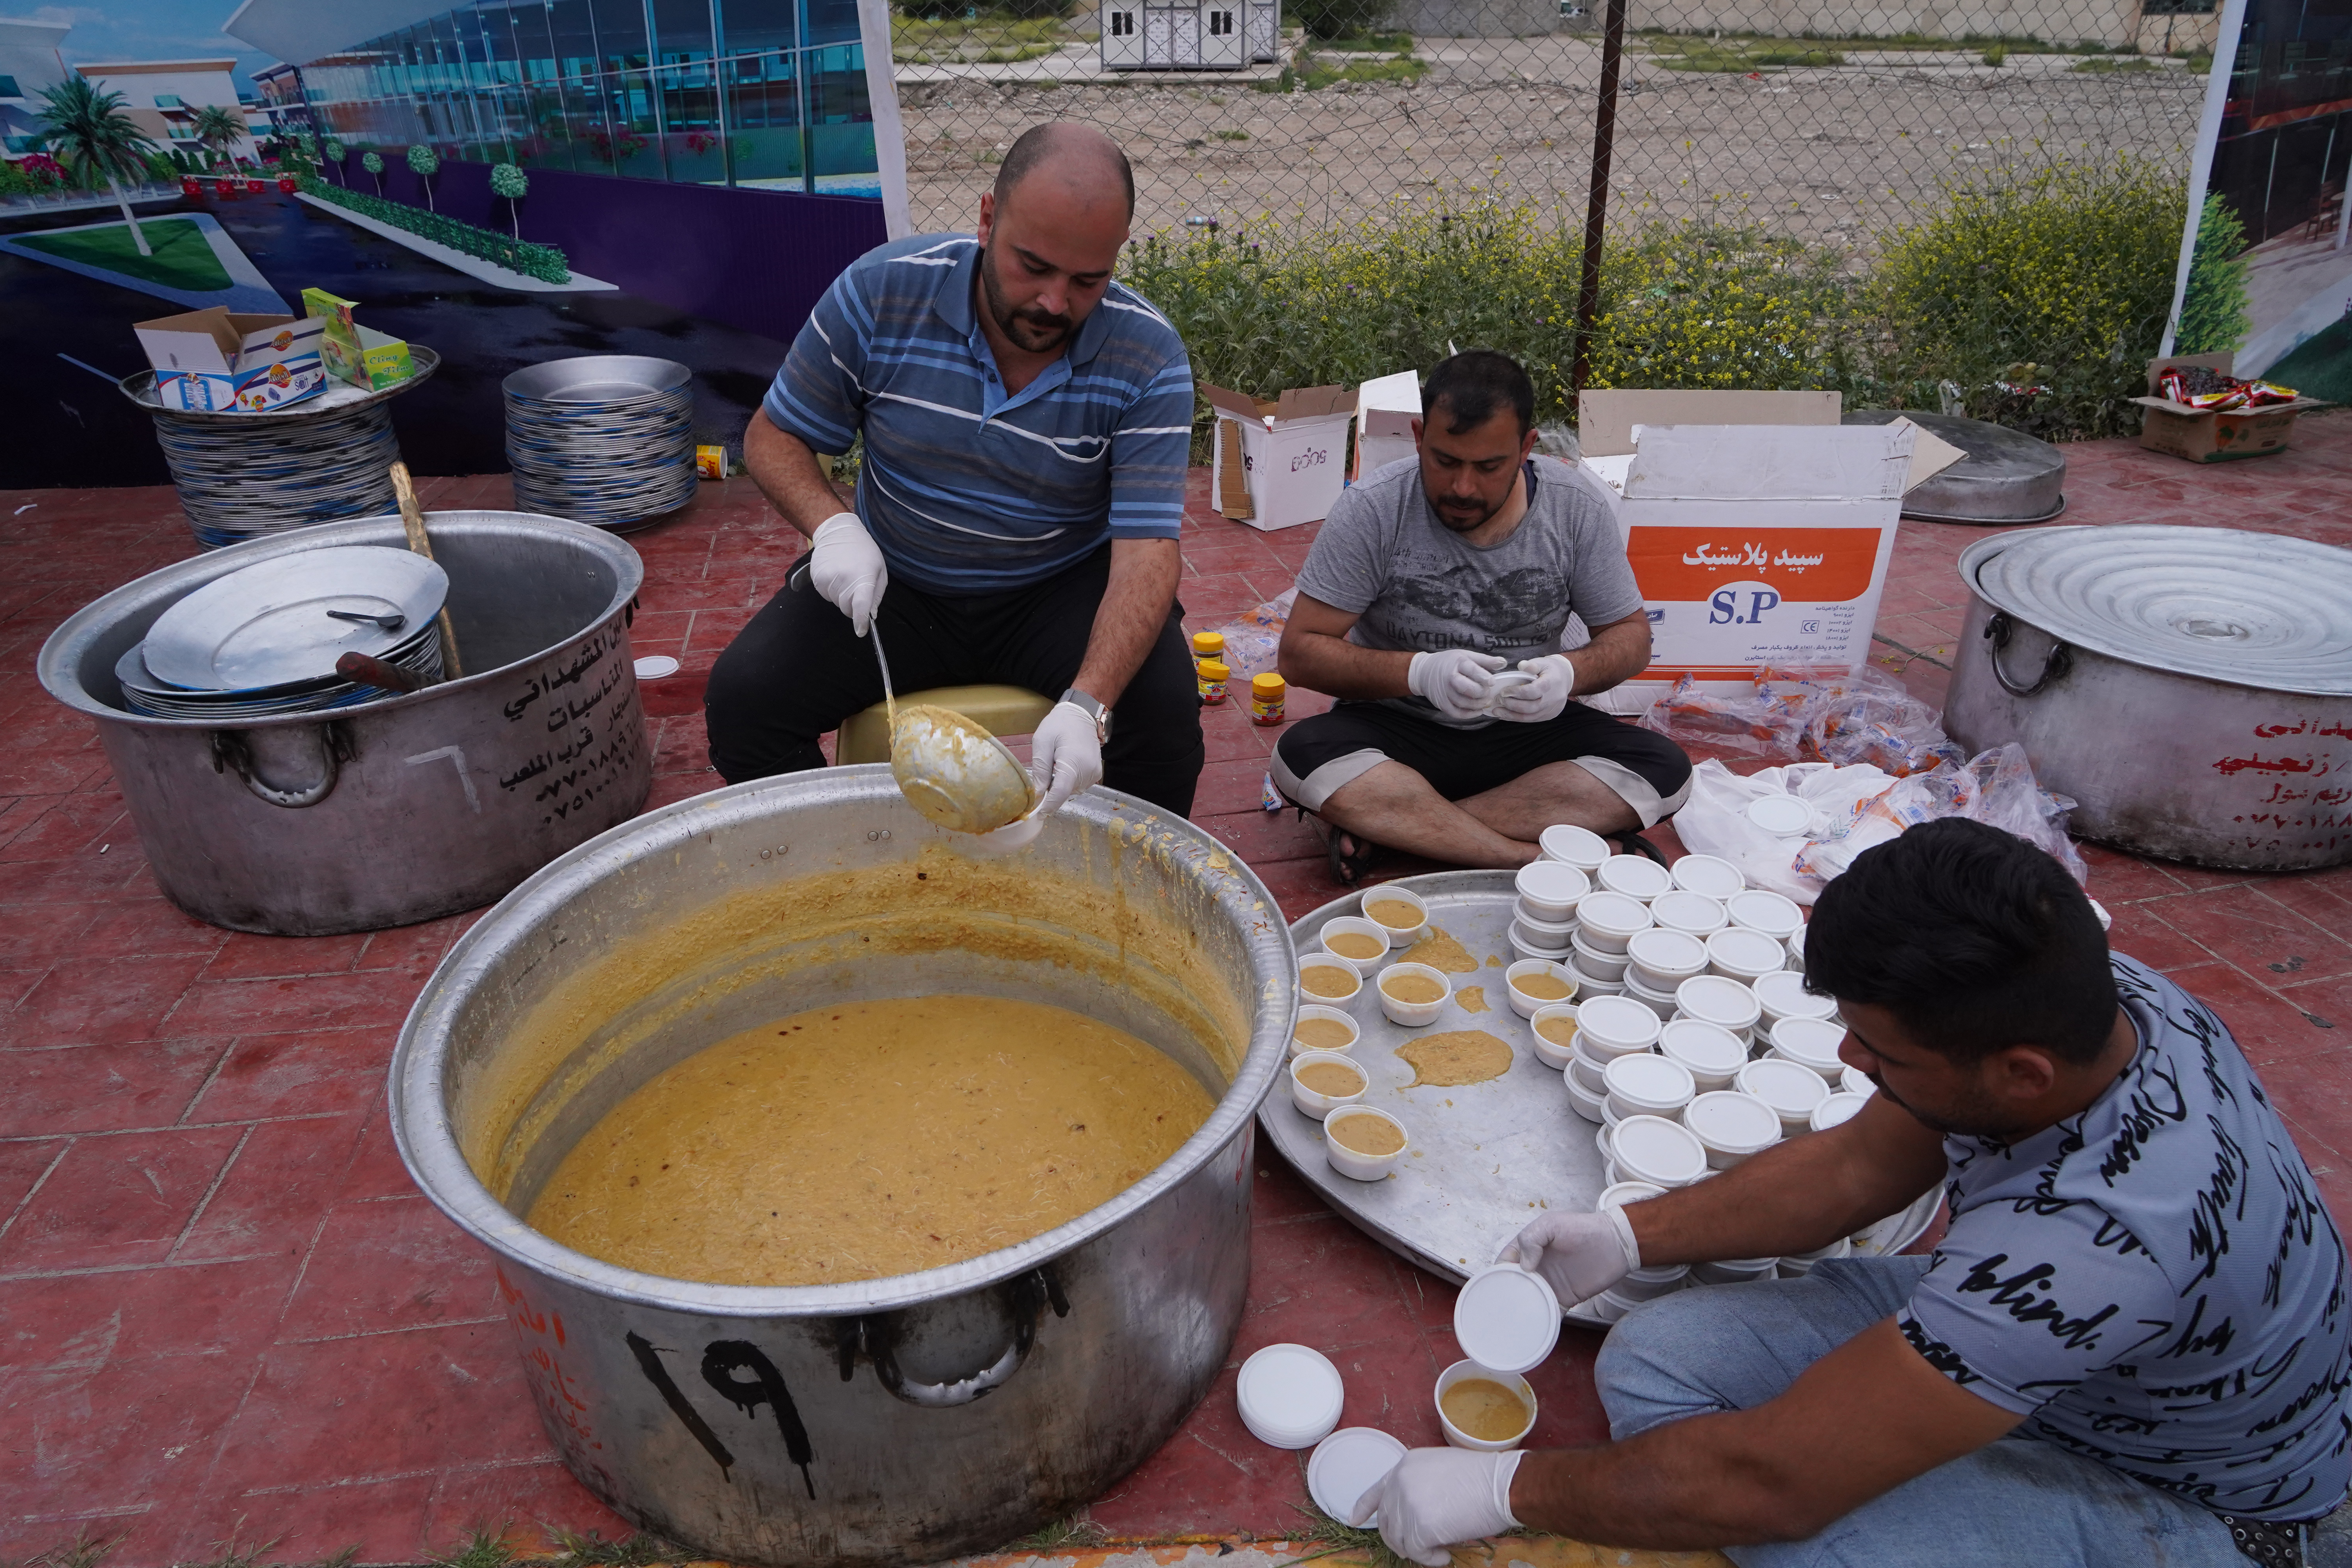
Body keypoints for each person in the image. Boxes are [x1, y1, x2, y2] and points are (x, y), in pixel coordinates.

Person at [1351, 818, 2350, 1567]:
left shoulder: (2086, 1251)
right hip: (2084, 1361)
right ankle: (1930, 1436)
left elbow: (1767, 1484)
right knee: (1656, 1358)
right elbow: (1857, 1167)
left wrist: (1508, 1486)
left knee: (1794, 1529)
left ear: (2021, 1073)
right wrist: (1626, 1234)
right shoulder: (2107, 997)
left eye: (1882, 1048)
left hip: (2205, 1495)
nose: (1845, 1054)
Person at [702, 123, 1204, 817]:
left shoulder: (1148, 353)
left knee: (1165, 720)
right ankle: (856, 863)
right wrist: (833, 529)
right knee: (745, 700)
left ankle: (1108, 896)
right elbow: (774, 433)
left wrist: (1088, 706)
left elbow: (1149, 549)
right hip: (896, 579)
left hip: (1055, 586)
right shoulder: (882, 292)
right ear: (987, 218)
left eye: (1088, 279)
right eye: (1033, 265)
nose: (1055, 303)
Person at [1270, 350, 1690, 881]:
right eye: (1445, 461)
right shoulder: (1374, 508)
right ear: (1420, 438)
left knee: (1666, 772)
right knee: (1300, 755)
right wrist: (1418, 673)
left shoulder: (1574, 508)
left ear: (1527, 448)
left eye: (1489, 467)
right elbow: (1300, 651)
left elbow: (1631, 638)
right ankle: (1527, 856)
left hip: (1526, 733)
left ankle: (1398, 833)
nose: (1463, 488)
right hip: (1398, 727)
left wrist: (1567, 674)